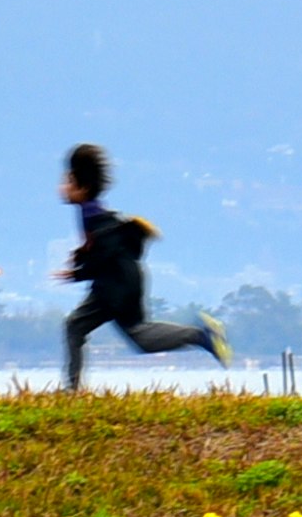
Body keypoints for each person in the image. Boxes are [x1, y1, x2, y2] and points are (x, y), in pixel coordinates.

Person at [55, 142, 230, 389]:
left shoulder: (92, 215)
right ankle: (202, 335)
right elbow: (101, 246)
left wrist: (77, 272)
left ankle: (72, 390)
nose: (62, 188)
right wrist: (82, 257)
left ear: (82, 188)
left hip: (114, 285)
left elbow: (104, 251)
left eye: (67, 182)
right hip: (125, 280)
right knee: (140, 335)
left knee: (74, 326)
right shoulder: (93, 213)